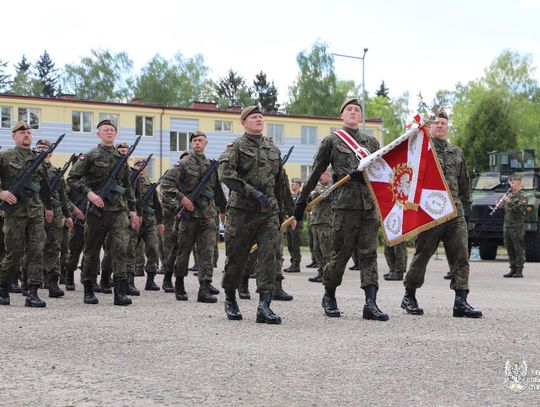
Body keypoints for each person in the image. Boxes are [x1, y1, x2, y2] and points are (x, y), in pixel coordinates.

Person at [294, 98, 388, 321]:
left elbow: (381, 172)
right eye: (349, 110)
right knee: (340, 254)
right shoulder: (332, 141)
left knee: (368, 255)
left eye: (357, 110)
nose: (354, 112)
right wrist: (301, 201)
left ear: (361, 117)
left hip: (368, 206)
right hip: (344, 206)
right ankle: (329, 296)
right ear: (342, 115)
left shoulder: (371, 142)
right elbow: (316, 171)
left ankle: (371, 303)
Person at [400, 110, 482, 318]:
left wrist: (467, 208)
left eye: (443, 123)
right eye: (436, 122)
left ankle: (461, 301)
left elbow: (464, 183)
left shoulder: (456, 152)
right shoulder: (421, 150)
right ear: (430, 126)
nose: (440, 126)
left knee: (460, 254)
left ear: (448, 127)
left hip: (454, 209)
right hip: (430, 210)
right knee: (423, 253)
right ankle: (409, 295)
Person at [218, 106, 288, 323]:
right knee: (237, 258)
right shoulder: (236, 147)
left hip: (268, 213)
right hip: (242, 212)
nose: (258, 118)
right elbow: (225, 173)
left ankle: (264, 306)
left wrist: (291, 208)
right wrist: (251, 191)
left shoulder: (272, 149)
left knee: (269, 257)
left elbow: (281, 181)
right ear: (243, 123)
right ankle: (230, 298)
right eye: (253, 116)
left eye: (260, 116)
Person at [67, 119, 139, 306]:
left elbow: (127, 186)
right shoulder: (91, 155)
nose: (109, 132)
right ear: (98, 134)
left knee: (121, 249)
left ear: (115, 134)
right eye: (105, 130)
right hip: (97, 212)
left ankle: (120, 291)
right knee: (92, 250)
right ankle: (89, 289)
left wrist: (132, 210)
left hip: (118, 211)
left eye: (112, 130)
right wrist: (89, 194)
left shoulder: (121, 158)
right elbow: (73, 179)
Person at [162, 131, 226, 303]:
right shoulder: (183, 163)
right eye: (194, 141)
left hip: (208, 215)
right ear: (191, 144)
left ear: (206, 143)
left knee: (207, 251)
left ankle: (204, 287)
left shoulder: (211, 165)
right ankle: (179, 284)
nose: (197, 143)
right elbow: (166, 185)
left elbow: (217, 190)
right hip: (189, 216)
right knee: (183, 251)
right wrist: (183, 199)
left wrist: (223, 209)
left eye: (200, 140)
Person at [0, 121, 54, 307]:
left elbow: (45, 187)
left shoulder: (38, 158)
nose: (27, 135)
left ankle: (32, 292)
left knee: (36, 251)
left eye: (29, 132)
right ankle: (3, 287)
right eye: (22, 132)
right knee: (14, 253)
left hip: (36, 211)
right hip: (15, 212)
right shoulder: (5, 157)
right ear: (14, 136)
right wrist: (2, 193)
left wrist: (49, 207)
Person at [34, 139, 74, 298]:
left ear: (51, 152)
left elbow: (63, 196)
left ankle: (52, 282)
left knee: (53, 247)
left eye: (45, 148)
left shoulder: (56, 172)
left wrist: (68, 215)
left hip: (56, 212)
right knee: (34, 247)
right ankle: (29, 281)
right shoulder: (30, 169)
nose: (42, 150)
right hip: (35, 210)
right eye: (39, 147)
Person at [132, 158, 165, 289]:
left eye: (143, 165)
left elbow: (157, 205)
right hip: (134, 223)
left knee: (153, 249)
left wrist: (160, 222)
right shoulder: (130, 183)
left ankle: (150, 280)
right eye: (138, 165)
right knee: (130, 250)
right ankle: (129, 280)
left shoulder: (150, 185)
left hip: (150, 222)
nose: (141, 167)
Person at [498, 174, 528, 278]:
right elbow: (505, 212)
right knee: (509, 247)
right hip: (507, 226)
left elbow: (520, 210)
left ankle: (519, 269)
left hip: (517, 227)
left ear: (519, 183)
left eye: (513, 182)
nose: (511, 185)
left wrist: (509, 202)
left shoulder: (523, 196)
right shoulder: (509, 196)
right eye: (511, 183)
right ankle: (512, 268)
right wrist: (499, 207)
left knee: (517, 247)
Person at [307, 170, 333, 283]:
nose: (320, 178)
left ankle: (328, 275)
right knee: (316, 249)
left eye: (322, 175)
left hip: (326, 223)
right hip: (315, 222)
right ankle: (321, 272)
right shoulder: (317, 188)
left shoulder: (332, 186)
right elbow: (310, 196)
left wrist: (314, 193)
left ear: (327, 175)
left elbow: (322, 195)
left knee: (326, 250)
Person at [284, 178, 302, 273]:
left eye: (294, 184)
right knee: (290, 244)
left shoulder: (301, 196)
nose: (292, 186)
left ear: (299, 185)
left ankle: (296, 265)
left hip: (296, 223)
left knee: (295, 245)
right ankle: (292, 263)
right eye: (291, 184)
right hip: (288, 222)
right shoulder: (290, 196)